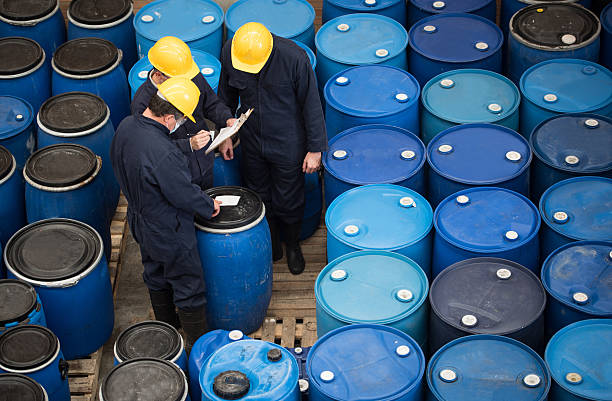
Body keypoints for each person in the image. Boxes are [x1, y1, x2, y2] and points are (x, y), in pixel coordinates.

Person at [111, 77, 220, 351]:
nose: (182, 123)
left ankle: (168, 333)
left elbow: (151, 157)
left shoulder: (127, 126)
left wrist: (186, 146)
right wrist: (209, 206)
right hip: (169, 228)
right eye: (181, 119)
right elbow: (181, 191)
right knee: (188, 285)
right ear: (170, 117)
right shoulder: (162, 152)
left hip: (140, 219)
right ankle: (198, 348)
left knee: (155, 273)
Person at [217, 22, 327, 275]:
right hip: (252, 138)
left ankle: (292, 245)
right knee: (258, 192)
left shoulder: (294, 59)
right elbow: (226, 96)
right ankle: (272, 243)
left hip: (288, 140)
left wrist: (315, 149)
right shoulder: (231, 52)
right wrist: (225, 135)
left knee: (289, 197)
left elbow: (312, 104)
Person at [132, 36, 236, 190]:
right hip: (176, 173)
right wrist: (188, 145)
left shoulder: (188, 76)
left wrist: (226, 122)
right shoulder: (142, 103)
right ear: (159, 75)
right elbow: (150, 147)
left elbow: (211, 104)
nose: (186, 83)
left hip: (204, 159)